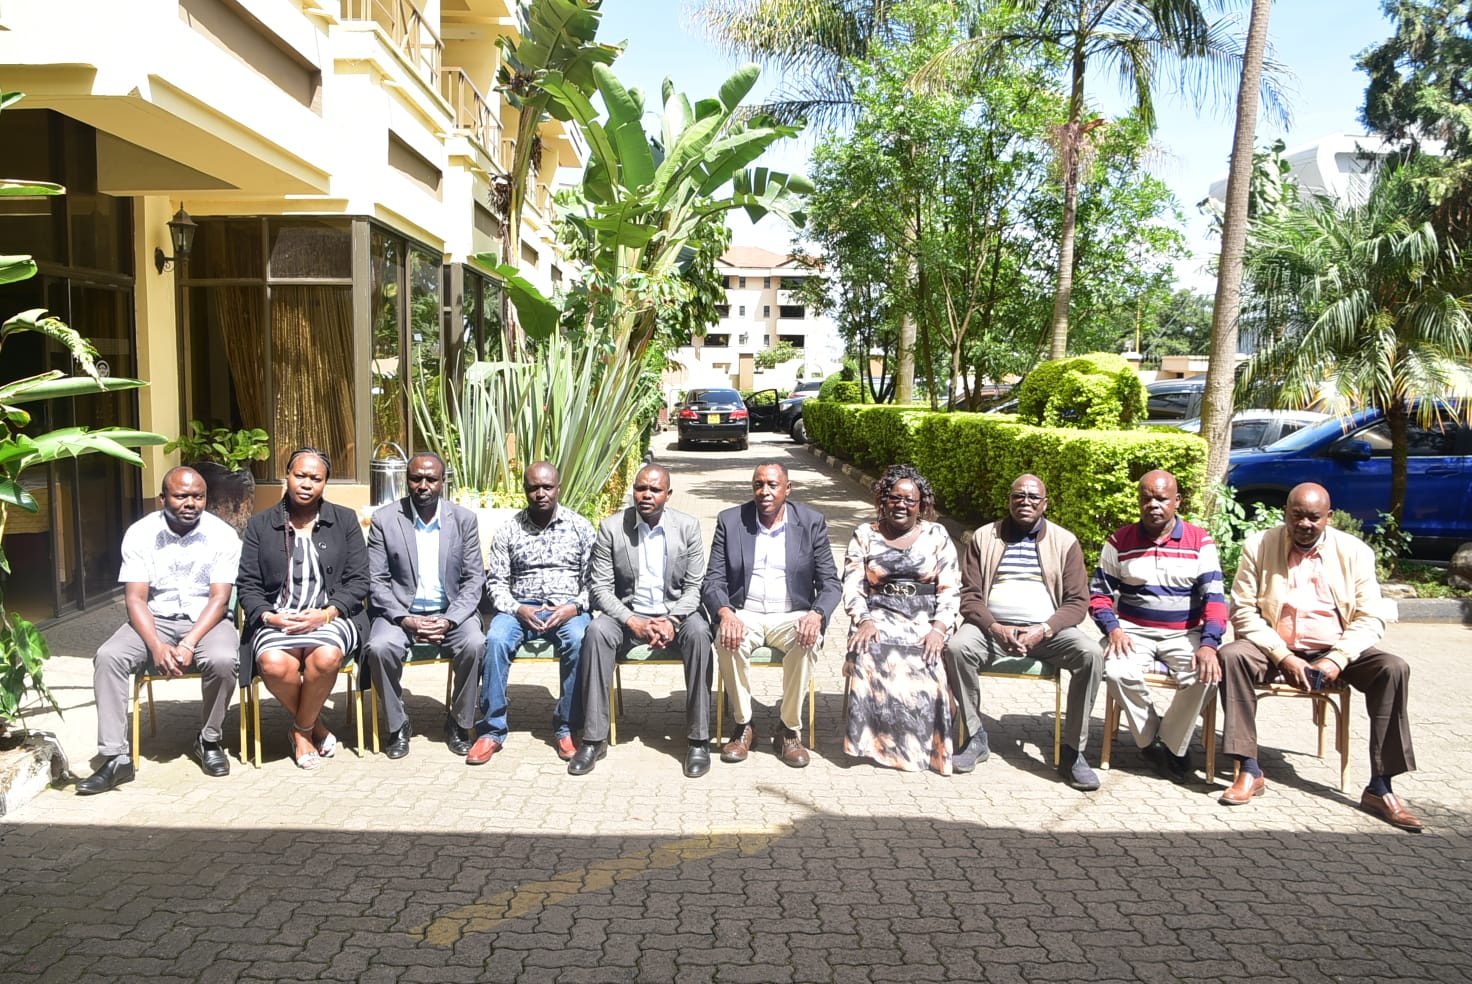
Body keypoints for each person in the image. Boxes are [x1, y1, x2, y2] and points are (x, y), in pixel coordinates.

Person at [1217, 482, 1422, 830]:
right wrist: (1283, 656)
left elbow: (1371, 617)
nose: (1304, 524)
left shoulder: (1355, 552)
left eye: (1313, 517)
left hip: (1336, 648)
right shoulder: (1259, 545)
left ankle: (1381, 786)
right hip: (1274, 647)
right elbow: (1243, 612)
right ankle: (1248, 768)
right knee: (1231, 656)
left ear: (1329, 517)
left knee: (1393, 668)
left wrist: (1337, 658)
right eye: (1297, 516)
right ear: (1286, 514)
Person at [78, 467, 241, 794]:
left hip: (206, 620)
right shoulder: (140, 533)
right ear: (162, 498)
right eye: (181, 496)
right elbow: (135, 599)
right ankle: (116, 757)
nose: (191, 503)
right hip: (156, 618)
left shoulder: (223, 535)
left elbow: (220, 599)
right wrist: (156, 646)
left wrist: (189, 643)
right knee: (109, 657)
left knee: (224, 660)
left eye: (198, 496)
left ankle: (209, 740)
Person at [943, 474, 1104, 790]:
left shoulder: (1064, 541)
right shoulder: (984, 537)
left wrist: (1044, 629)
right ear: (1009, 500)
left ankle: (1073, 752)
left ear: (1044, 504)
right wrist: (995, 627)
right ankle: (975, 737)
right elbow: (970, 596)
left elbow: (1077, 602)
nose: (1025, 502)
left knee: (1091, 654)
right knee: (957, 648)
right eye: (1019, 496)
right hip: (991, 631)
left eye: (1033, 497)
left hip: (1048, 634)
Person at [568, 464, 713, 778]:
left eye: (654, 490)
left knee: (701, 633)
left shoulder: (687, 527)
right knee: (596, 631)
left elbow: (695, 587)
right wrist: (631, 620)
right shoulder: (612, 528)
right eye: (640, 488)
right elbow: (600, 588)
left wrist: (673, 620)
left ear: (668, 494)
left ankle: (699, 740)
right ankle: (593, 739)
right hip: (627, 617)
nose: (646, 495)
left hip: (676, 615)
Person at [1089, 470, 1226, 782]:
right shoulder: (1120, 541)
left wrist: (1209, 644)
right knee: (1116, 670)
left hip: (1185, 633)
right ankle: (1151, 742)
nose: (1153, 505)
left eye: (1161, 499)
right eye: (1146, 499)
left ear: (1177, 501)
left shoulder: (1199, 541)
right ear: (1139, 502)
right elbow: (1098, 595)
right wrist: (1113, 629)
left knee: (1206, 676)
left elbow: (1215, 599)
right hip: (1132, 632)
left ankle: (1170, 743)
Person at [237, 448, 369, 770]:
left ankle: (300, 731)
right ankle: (315, 726)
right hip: (278, 617)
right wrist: (269, 616)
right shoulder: (260, 524)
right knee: (273, 664)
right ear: (287, 475)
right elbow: (248, 585)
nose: (307, 484)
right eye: (300, 476)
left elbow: (359, 580)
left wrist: (326, 614)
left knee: (326, 657)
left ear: (325, 483)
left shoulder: (345, 520)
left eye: (316, 478)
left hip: (331, 616)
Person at [704, 461, 842, 768]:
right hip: (745, 612)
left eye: (772, 485)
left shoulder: (811, 522)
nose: (764, 491)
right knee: (727, 638)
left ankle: (788, 729)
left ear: (787, 489)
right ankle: (744, 725)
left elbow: (831, 583)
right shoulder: (731, 521)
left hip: (792, 614)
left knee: (807, 640)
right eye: (758, 485)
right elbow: (713, 580)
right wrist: (726, 613)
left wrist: (816, 615)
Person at [363, 453, 487, 759]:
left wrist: (450, 620)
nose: (422, 485)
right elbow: (376, 580)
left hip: (451, 612)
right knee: (379, 647)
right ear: (406, 481)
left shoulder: (463, 520)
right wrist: (405, 618)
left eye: (431, 479)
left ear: (443, 482)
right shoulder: (385, 520)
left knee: (475, 643)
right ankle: (397, 725)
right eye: (415, 478)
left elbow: (474, 580)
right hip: (400, 613)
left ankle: (459, 723)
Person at [473, 461, 595, 765]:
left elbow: (595, 582)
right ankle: (491, 730)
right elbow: (496, 583)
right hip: (520, 608)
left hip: (567, 608)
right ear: (525, 490)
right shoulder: (509, 530)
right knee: (496, 640)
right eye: (533, 488)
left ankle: (567, 726)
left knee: (580, 639)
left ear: (558, 488)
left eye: (547, 487)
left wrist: (573, 607)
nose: (540, 493)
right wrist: (517, 608)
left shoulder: (580, 527)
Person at [842, 465, 961, 773]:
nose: (901, 505)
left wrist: (939, 629)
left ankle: (924, 748)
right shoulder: (865, 534)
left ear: (921, 505)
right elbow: (853, 586)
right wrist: (864, 620)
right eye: (895, 497)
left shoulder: (937, 535)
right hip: (878, 614)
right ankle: (874, 745)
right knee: (869, 651)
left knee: (928, 657)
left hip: (925, 617)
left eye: (910, 500)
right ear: (884, 499)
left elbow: (950, 589)